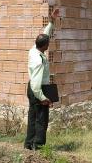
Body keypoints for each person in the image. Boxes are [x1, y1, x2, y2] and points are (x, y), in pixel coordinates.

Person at [24, 8, 59, 150]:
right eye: (48, 43)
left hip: (31, 88)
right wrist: (43, 98)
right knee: (41, 119)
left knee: (32, 116)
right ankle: (37, 146)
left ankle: (28, 143)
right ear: (44, 46)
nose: (49, 44)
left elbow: (44, 34)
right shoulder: (38, 61)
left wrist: (51, 21)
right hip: (37, 89)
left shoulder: (34, 49)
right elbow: (37, 85)